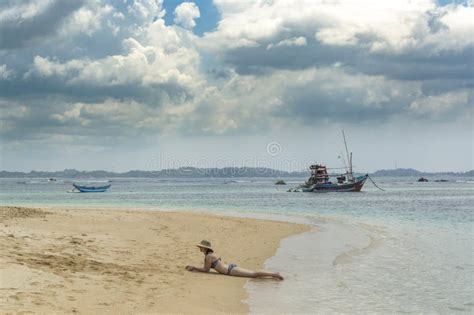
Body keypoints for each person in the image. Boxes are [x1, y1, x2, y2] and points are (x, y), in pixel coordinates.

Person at [185, 240, 284, 280]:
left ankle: (275, 274)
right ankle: (272, 275)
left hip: (230, 270)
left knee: (253, 274)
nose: (200, 248)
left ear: (205, 248)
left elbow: (206, 270)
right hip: (231, 268)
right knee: (253, 274)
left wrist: (194, 268)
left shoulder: (208, 256)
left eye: (201, 247)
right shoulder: (210, 254)